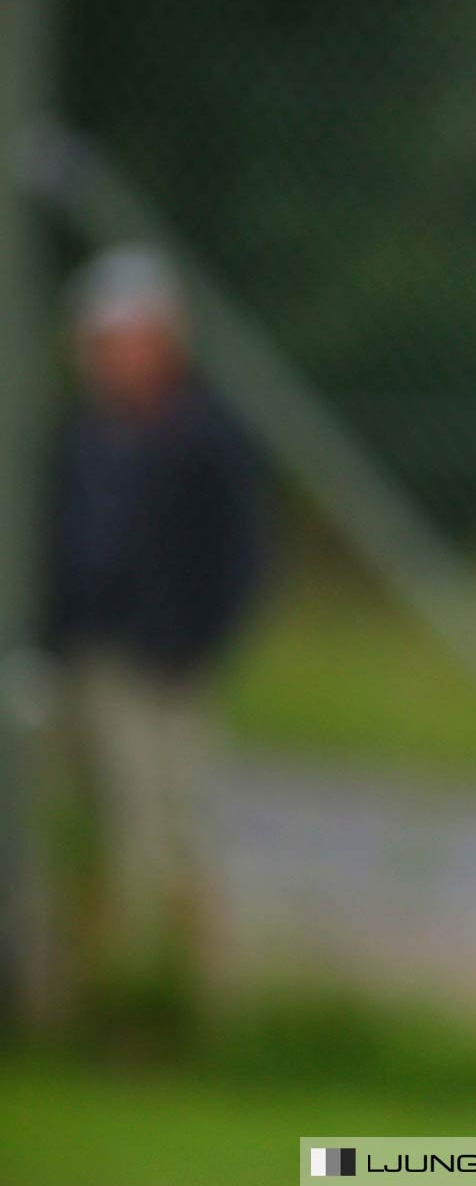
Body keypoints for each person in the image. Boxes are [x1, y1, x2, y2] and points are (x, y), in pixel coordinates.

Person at [35, 244, 262, 1011]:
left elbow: (239, 562)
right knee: (67, 826)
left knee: (165, 835)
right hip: (79, 657)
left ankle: (171, 997)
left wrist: (193, 643)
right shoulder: (81, 437)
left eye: (130, 341)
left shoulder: (203, 441)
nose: (114, 360)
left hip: (162, 668)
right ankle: (69, 991)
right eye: (102, 344)